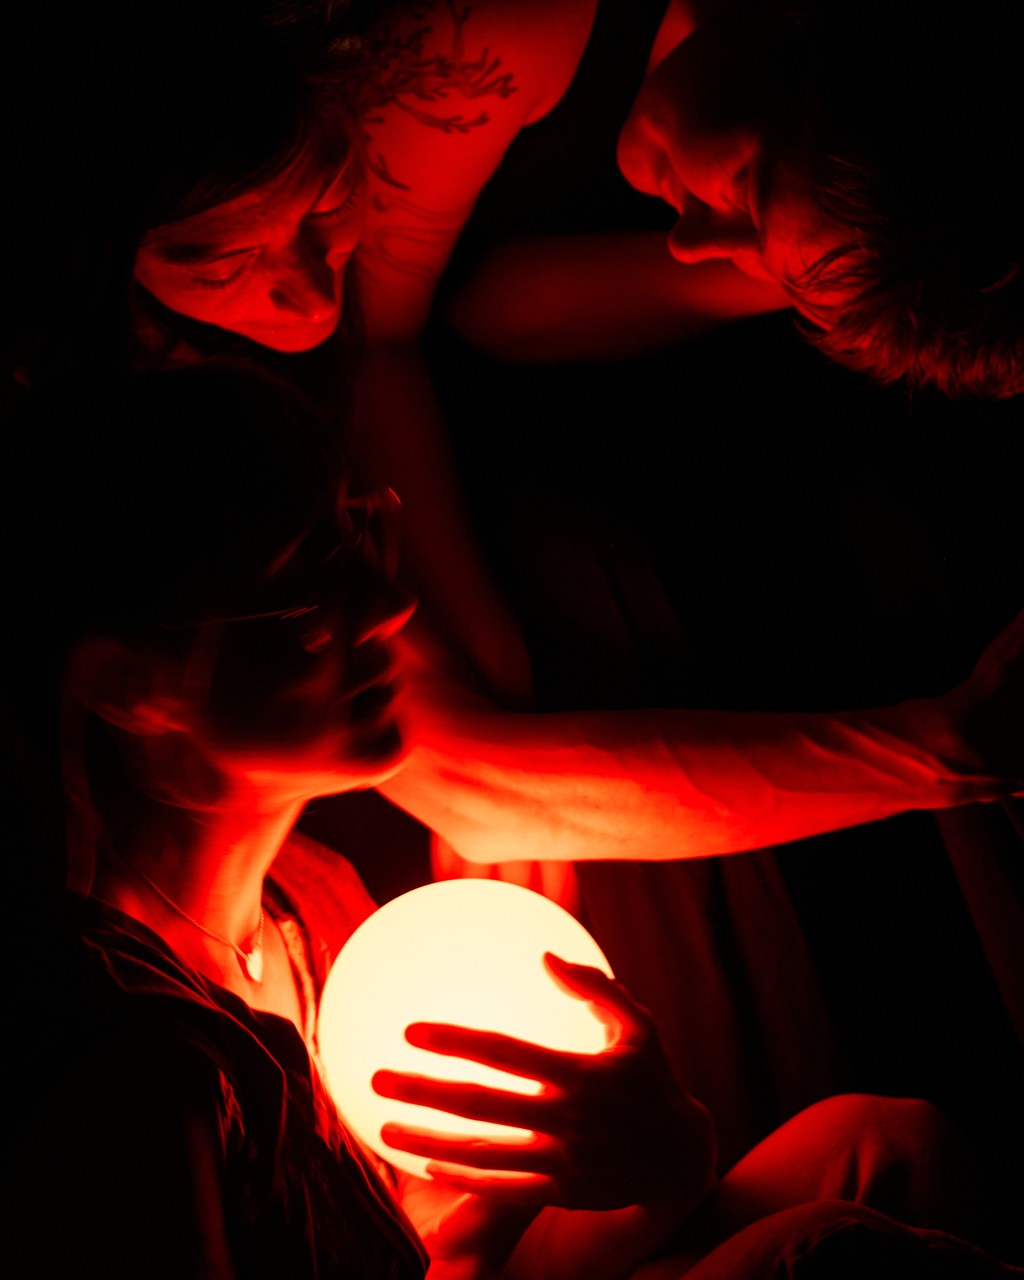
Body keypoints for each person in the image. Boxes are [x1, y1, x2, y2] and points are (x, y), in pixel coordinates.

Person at [6, 360, 1022, 1280]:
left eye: (360, 534)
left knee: (882, 1139)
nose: (388, 602)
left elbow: (454, 1259)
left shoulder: (311, 907)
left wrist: (661, 1161)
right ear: (132, 684)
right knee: (819, 1253)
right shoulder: (137, 1066)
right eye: (302, 596)